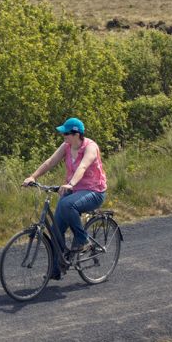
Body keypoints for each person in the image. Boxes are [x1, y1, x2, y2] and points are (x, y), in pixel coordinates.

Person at [24, 117, 107, 277]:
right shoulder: (67, 146)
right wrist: (33, 177)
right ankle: (57, 268)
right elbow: (50, 162)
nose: (64, 136)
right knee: (56, 230)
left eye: (66, 133)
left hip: (94, 191)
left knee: (66, 205)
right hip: (74, 192)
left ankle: (82, 239)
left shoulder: (90, 147)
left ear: (77, 134)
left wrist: (71, 184)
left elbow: (83, 166)